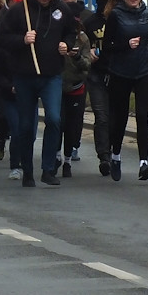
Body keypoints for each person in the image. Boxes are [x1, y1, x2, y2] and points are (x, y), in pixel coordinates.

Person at [0, 0, 76, 187]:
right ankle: (27, 171)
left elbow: (71, 31)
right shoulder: (18, 10)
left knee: (53, 119)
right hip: (24, 75)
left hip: (51, 75)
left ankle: (48, 168)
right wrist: (21, 40)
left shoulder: (61, 9)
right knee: (25, 126)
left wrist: (66, 44)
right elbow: (2, 38)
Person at [103, 0, 148, 182]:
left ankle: (143, 162)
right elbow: (107, 47)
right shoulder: (115, 15)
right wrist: (125, 44)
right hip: (121, 71)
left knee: (143, 115)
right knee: (120, 117)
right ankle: (116, 156)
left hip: (144, 69)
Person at [83, 0, 114, 176]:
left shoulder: (120, 19)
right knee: (101, 117)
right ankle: (104, 155)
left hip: (118, 74)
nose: (108, 1)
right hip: (96, 75)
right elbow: (82, 46)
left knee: (114, 117)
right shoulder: (90, 22)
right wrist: (89, 54)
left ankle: (115, 151)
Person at [55, 18, 91, 176]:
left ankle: (68, 160)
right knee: (57, 123)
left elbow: (87, 64)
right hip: (56, 86)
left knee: (71, 127)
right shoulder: (55, 37)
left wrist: (75, 57)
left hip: (75, 87)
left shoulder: (82, 39)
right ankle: (56, 155)